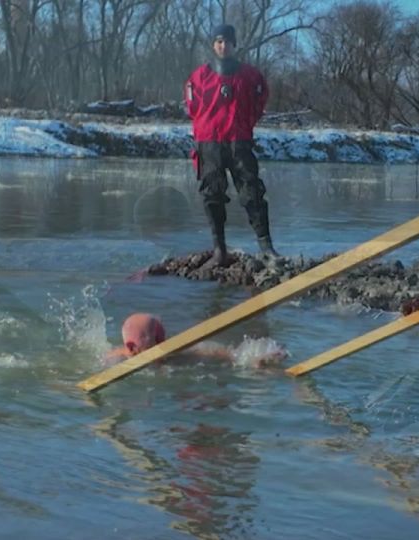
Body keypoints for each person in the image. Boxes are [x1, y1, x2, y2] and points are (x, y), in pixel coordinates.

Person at [184, 23, 280, 268]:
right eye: (218, 41)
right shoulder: (199, 77)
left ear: (234, 44)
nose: (223, 45)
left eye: (227, 41)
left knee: (252, 192)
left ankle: (266, 246)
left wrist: (244, 123)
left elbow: (260, 101)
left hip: (239, 141)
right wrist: (208, 127)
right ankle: (219, 249)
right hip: (210, 142)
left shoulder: (251, 75)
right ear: (212, 45)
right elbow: (193, 108)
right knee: (212, 194)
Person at [102, 313, 287, 369]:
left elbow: (221, 353)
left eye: (163, 336)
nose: (164, 342)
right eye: (157, 339)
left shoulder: (174, 354)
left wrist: (257, 358)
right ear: (132, 347)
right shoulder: (116, 361)